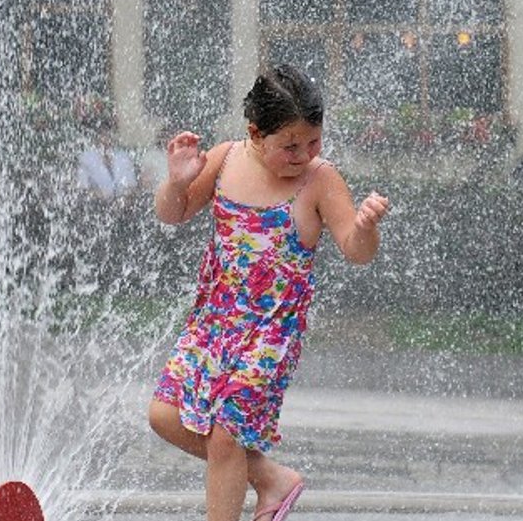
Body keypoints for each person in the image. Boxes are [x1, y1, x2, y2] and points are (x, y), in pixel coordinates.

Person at [148, 64, 389, 521]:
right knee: (164, 415)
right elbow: (173, 214)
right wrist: (176, 182)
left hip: (270, 334)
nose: (304, 154)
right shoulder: (224, 159)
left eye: (313, 141)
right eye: (290, 146)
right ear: (256, 134)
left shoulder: (320, 180)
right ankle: (272, 479)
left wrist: (365, 227)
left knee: (225, 437)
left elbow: (357, 252)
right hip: (213, 321)